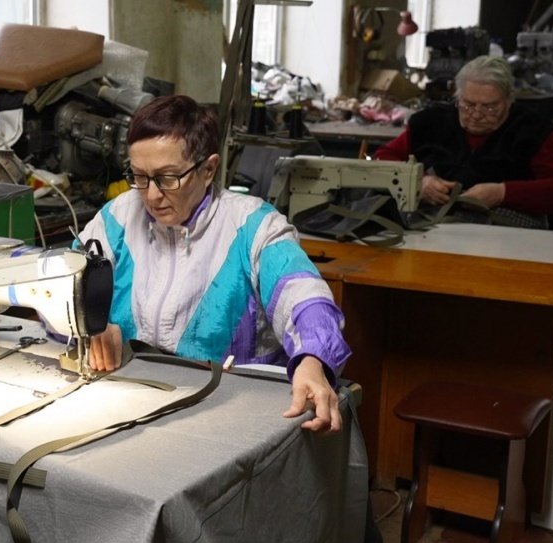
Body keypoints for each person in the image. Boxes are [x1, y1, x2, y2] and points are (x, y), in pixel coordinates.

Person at [76, 94, 351, 434]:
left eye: (167, 178)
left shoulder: (253, 226)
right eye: (140, 177)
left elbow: (305, 297)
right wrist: (90, 322)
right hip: (134, 399)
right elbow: (63, 280)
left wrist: (312, 359)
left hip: (231, 410)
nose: (152, 195)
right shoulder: (118, 216)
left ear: (208, 170)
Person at [374, 55, 553, 229]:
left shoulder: (531, 130)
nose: (477, 114)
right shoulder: (431, 122)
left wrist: (502, 193)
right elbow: (383, 158)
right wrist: (417, 182)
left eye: (490, 107)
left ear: (508, 100)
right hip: (437, 227)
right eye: (468, 104)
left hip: (508, 232)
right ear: (457, 97)